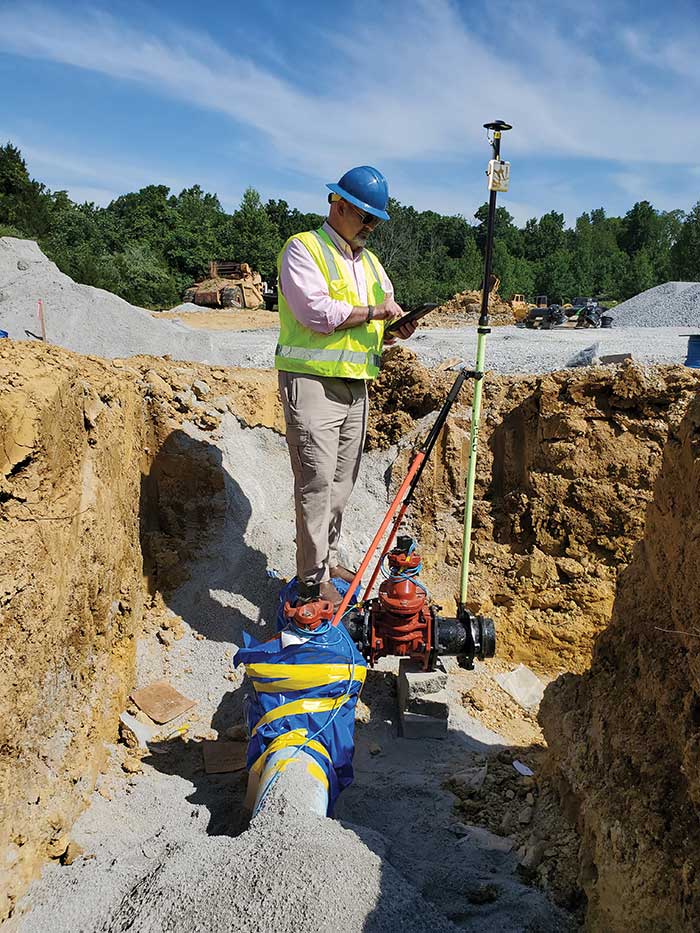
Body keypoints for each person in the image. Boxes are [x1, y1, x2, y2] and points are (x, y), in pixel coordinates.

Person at [275, 165, 417, 607]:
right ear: (338, 206)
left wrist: (395, 330)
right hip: (313, 384)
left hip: (356, 387)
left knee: (341, 484)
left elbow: (378, 320)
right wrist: (375, 312)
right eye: (365, 218)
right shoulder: (304, 249)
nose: (371, 228)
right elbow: (315, 313)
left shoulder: (371, 264)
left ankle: (328, 559)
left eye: (376, 221)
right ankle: (310, 581)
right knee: (316, 484)